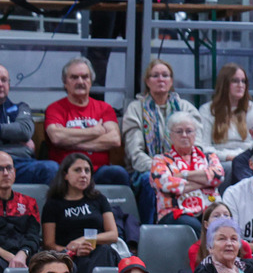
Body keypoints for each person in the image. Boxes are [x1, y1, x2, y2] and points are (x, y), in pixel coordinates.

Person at [122, 59, 200, 225]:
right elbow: (135, 153)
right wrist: (163, 171)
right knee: (150, 181)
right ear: (147, 81)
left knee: (202, 179)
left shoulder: (186, 108)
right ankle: (150, 231)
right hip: (147, 169)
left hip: (183, 169)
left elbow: (197, 146)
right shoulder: (136, 109)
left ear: (171, 81)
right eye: (155, 75)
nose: (160, 79)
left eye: (165, 75)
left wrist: (177, 171)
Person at [44, 57, 129, 187]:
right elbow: (56, 137)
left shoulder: (104, 108)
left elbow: (114, 139)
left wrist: (70, 143)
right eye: (74, 77)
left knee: (118, 173)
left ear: (91, 81)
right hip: (66, 172)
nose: (80, 81)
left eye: (85, 77)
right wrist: (94, 131)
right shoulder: (55, 108)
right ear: (65, 82)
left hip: (99, 171)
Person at [41, 153, 119, 273]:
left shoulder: (99, 199)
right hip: (69, 255)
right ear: (65, 174)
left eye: (87, 170)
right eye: (78, 170)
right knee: (65, 263)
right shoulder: (53, 204)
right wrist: (72, 249)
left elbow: (113, 235)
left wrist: (83, 240)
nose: (83, 175)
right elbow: (49, 244)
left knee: (105, 251)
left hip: (98, 252)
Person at [149, 112, 223, 235]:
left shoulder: (209, 157)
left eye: (189, 131)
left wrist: (184, 175)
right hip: (175, 212)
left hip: (209, 209)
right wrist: (205, 182)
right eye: (179, 131)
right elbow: (166, 184)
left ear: (195, 134)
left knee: (223, 223)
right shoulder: (160, 160)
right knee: (196, 226)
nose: (184, 135)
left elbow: (218, 177)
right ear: (171, 136)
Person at [0, 64, 58, 185]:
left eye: (4, 80)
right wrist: (14, 138)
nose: (0, 84)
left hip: (21, 164)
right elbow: (19, 132)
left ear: (9, 85)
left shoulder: (21, 107)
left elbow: (25, 131)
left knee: (51, 168)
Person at [198, 63, 253, 164]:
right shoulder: (207, 110)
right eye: (235, 81)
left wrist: (242, 158)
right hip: (220, 161)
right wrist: (228, 157)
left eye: (243, 81)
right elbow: (204, 147)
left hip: (248, 159)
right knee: (231, 167)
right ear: (224, 84)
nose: (241, 85)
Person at [0, 151, 41, 273]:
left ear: (15, 172)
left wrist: (23, 253)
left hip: (25, 255)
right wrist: (10, 257)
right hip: (2, 256)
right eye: (0, 169)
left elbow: (33, 235)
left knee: (51, 265)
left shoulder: (29, 202)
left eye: (9, 168)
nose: (6, 173)